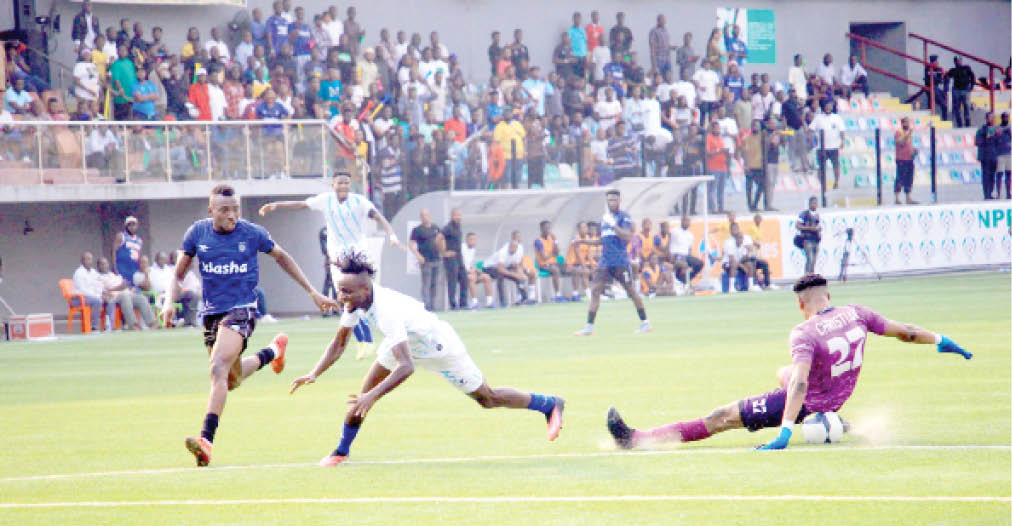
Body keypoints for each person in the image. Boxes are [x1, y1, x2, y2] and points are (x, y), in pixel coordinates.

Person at [607, 274, 972, 451]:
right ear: (828, 295)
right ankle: (837, 422)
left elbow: (798, 385)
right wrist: (941, 340)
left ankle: (636, 440)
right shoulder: (857, 313)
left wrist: (783, 431)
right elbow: (906, 330)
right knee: (784, 372)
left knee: (722, 417)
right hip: (834, 394)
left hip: (807, 401)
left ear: (801, 304)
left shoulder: (803, 333)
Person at [290, 251, 566, 466]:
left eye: (346, 291)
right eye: (340, 290)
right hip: (402, 343)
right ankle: (341, 452)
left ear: (365, 289)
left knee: (487, 399)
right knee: (361, 397)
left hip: (437, 346)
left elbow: (406, 367)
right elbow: (339, 343)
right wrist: (314, 372)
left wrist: (373, 395)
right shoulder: (356, 302)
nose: (341, 296)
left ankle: (549, 404)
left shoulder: (387, 310)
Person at [163, 184, 336, 467]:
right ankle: (273, 352)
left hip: (242, 309)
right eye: (224, 211)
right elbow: (178, 274)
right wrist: (169, 301)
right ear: (211, 212)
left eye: (235, 210)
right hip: (211, 314)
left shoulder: (252, 233)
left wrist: (312, 292)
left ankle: (206, 441)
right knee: (229, 380)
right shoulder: (197, 233)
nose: (232, 215)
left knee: (217, 367)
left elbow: (283, 257)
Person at [259, 172, 401, 295]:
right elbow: (302, 205)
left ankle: (367, 311)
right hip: (337, 250)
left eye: (347, 183)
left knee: (366, 284)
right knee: (341, 287)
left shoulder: (359, 201)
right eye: (340, 183)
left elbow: (378, 217)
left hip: (358, 248)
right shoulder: (325, 199)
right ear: (333, 184)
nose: (344, 186)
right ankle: (349, 316)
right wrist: (277, 205)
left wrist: (392, 235)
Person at [574, 190, 650, 336]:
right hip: (605, 261)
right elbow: (603, 240)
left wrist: (614, 224)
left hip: (620, 261)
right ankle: (589, 327)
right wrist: (583, 241)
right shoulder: (605, 219)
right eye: (609, 200)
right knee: (595, 290)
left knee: (631, 291)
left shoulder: (624, 217)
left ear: (619, 201)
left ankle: (645, 323)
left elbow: (627, 236)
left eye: (614, 200)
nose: (612, 203)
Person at [96, 256, 157, 330]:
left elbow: (123, 285)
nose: (104, 266)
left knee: (141, 298)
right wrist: (119, 288)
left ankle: (152, 323)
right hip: (114, 296)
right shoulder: (98, 277)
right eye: (102, 264)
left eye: (106, 264)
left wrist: (130, 288)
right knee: (125, 296)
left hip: (126, 292)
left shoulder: (113, 274)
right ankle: (133, 324)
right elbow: (103, 292)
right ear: (98, 266)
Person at [484, 230, 536, 307]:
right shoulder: (503, 252)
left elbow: (517, 264)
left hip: (505, 266)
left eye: (515, 248)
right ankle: (503, 301)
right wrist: (515, 275)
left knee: (519, 278)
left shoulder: (520, 248)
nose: (512, 250)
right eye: (511, 248)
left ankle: (524, 298)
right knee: (500, 275)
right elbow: (500, 269)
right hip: (489, 267)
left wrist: (520, 274)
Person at [810, 99, 846, 189]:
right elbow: (811, 129)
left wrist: (842, 141)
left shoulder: (837, 117)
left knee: (836, 165)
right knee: (821, 167)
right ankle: (821, 183)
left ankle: (836, 182)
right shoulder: (818, 117)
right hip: (821, 147)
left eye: (830, 105)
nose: (829, 107)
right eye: (827, 105)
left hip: (834, 146)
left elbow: (842, 130)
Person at [440, 208, 468, 311]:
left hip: (459, 257)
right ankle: (453, 304)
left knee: (464, 279)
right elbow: (439, 238)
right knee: (452, 281)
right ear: (452, 216)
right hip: (450, 258)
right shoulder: (448, 228)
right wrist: (444, 252)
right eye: (456, 215)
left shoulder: (458, 227)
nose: (458, 217)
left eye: (459, 215)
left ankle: (463, 303)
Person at [72, 251, 104, 332]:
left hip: (91, 297)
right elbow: (83, 290)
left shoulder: (93, 272)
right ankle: (93, 327)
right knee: (97, 301)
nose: (90, 262)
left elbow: (99, 285)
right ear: (83, 261)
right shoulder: (79, 273)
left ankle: (110, 326)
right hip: (78, 299)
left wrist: (99, 294)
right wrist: (96, 296)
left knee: (109, 300)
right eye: (88, 259)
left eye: (91, 259)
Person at [534, 220, 565, 302]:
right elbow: (544, 257)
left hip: (553, 263)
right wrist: (553, 254)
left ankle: (575, 294)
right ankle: (557, 295)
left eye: (549, 228)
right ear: (541, 229)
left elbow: (557, 252)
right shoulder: (538, 241)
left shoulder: (551, 239)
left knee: (570, 268)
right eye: (546, 228)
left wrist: (555, 241)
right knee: (556, 270)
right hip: (544, 265)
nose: (548, 230)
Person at [462, 232, 496, 309]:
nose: (473, 241)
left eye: (474, 239)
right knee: (471, 278)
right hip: (462, 274)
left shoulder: (473, 250)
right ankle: (474, 302)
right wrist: (469, 271)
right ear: (467, 240)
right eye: (471, 239)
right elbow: (460, 264)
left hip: (471, 272)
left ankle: (489, 302)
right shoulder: (462, 248)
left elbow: (470, 264)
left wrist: (476, 270)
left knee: (486, 277)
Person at [670, 215, 702, 289]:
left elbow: (689, 249)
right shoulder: (674, 231)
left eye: (688, 221)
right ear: (681, 221)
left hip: (686, 256)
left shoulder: (690, 235)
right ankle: (684, 282)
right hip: (676, 254)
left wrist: (690, 258)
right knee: (683, 264)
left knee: (699, 263)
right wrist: (670, 255)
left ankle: (686, 280)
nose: (687, 223)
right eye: (685, 221)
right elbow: (669, 243)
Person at [946, 56, 975, 128]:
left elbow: (972, 76)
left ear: (961, 61)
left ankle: (968, 123)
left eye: (959, 60)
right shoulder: (953, 70)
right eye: (956, 60)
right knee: (957, 108)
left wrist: (971, 86)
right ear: (954, 62)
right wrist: (946, 86)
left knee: (967, 107)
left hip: (965, 90)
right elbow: (947, 77)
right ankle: (959, 124)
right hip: (956, 91)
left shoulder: (967, 68)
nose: (958, 62)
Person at [894, 117, 917, 205]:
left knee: (909, 179)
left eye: (909, 122)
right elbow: (900, 142)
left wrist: (914, 150)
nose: (908, 125)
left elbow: (908, 145)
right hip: (901, 159)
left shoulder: (908, 133)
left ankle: (908, 198)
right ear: (903, 123)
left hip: (909, 158)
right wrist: (908, 134)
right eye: (907, 123)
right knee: (900, 178)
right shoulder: (898, 132)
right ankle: (897, 198)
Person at [797, 196, 821, 274]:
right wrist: (810, 228)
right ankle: (807, 275)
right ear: (809, 204)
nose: (815, 205)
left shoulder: (817, 215)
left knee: (814, 260)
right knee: (809, 258)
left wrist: (819, 230)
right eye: (813, 203)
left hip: (816, 239)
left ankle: (811, 275)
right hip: (807, 239)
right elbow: (798, 226)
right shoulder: (804, 214)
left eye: (816, 203)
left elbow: (818, 226)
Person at [976, 112, 996, 199]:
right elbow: (977, 142)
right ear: (986, 119)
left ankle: (990, 193)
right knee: (986, 176)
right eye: (990, 118)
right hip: (985, 156)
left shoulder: (995, 129)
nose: (992, 120)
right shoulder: (981, 130)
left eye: (993, 118)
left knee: (992, 175)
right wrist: (986, 137)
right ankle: (986, 194)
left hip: (993, 156)